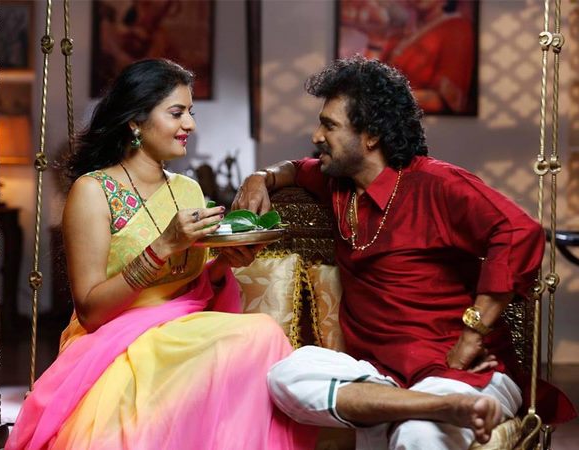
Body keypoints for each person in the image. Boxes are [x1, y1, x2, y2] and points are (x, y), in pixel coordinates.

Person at [234, 56, 576, 450]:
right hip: (381, 376)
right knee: (285, 376)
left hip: (460, 372)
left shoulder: (435, 182)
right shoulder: (337, 184)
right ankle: (433, 407)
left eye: (329, 125)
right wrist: (260, 177)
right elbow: (295, 168)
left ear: (371, 136)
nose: (317, 135)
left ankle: (434, 406)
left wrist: (473, 333)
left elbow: (519, 231)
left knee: (418, 435)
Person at [6, 59, 315, 450]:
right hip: (118, 341)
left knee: (261, 336)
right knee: (258, 333)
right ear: (136, 121)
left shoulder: (187, 190)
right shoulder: (94, 191)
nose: (190, 125)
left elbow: (190, 288)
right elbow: (91, 311)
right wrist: (162, 247)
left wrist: (224, 264)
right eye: (177, 113)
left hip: (180, 335)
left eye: (190, 112)